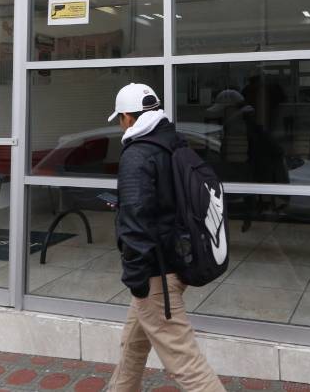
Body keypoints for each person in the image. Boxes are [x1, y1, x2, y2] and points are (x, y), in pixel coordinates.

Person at [106, 83, 225, 392]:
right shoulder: (174, 143)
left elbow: (136, 221)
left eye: (120, 119)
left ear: (128, 117)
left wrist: (136, 277)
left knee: (186, 364)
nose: (121, 125)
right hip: (176, 260)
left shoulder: (137, 154)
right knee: (132, 345)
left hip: (156, 274)